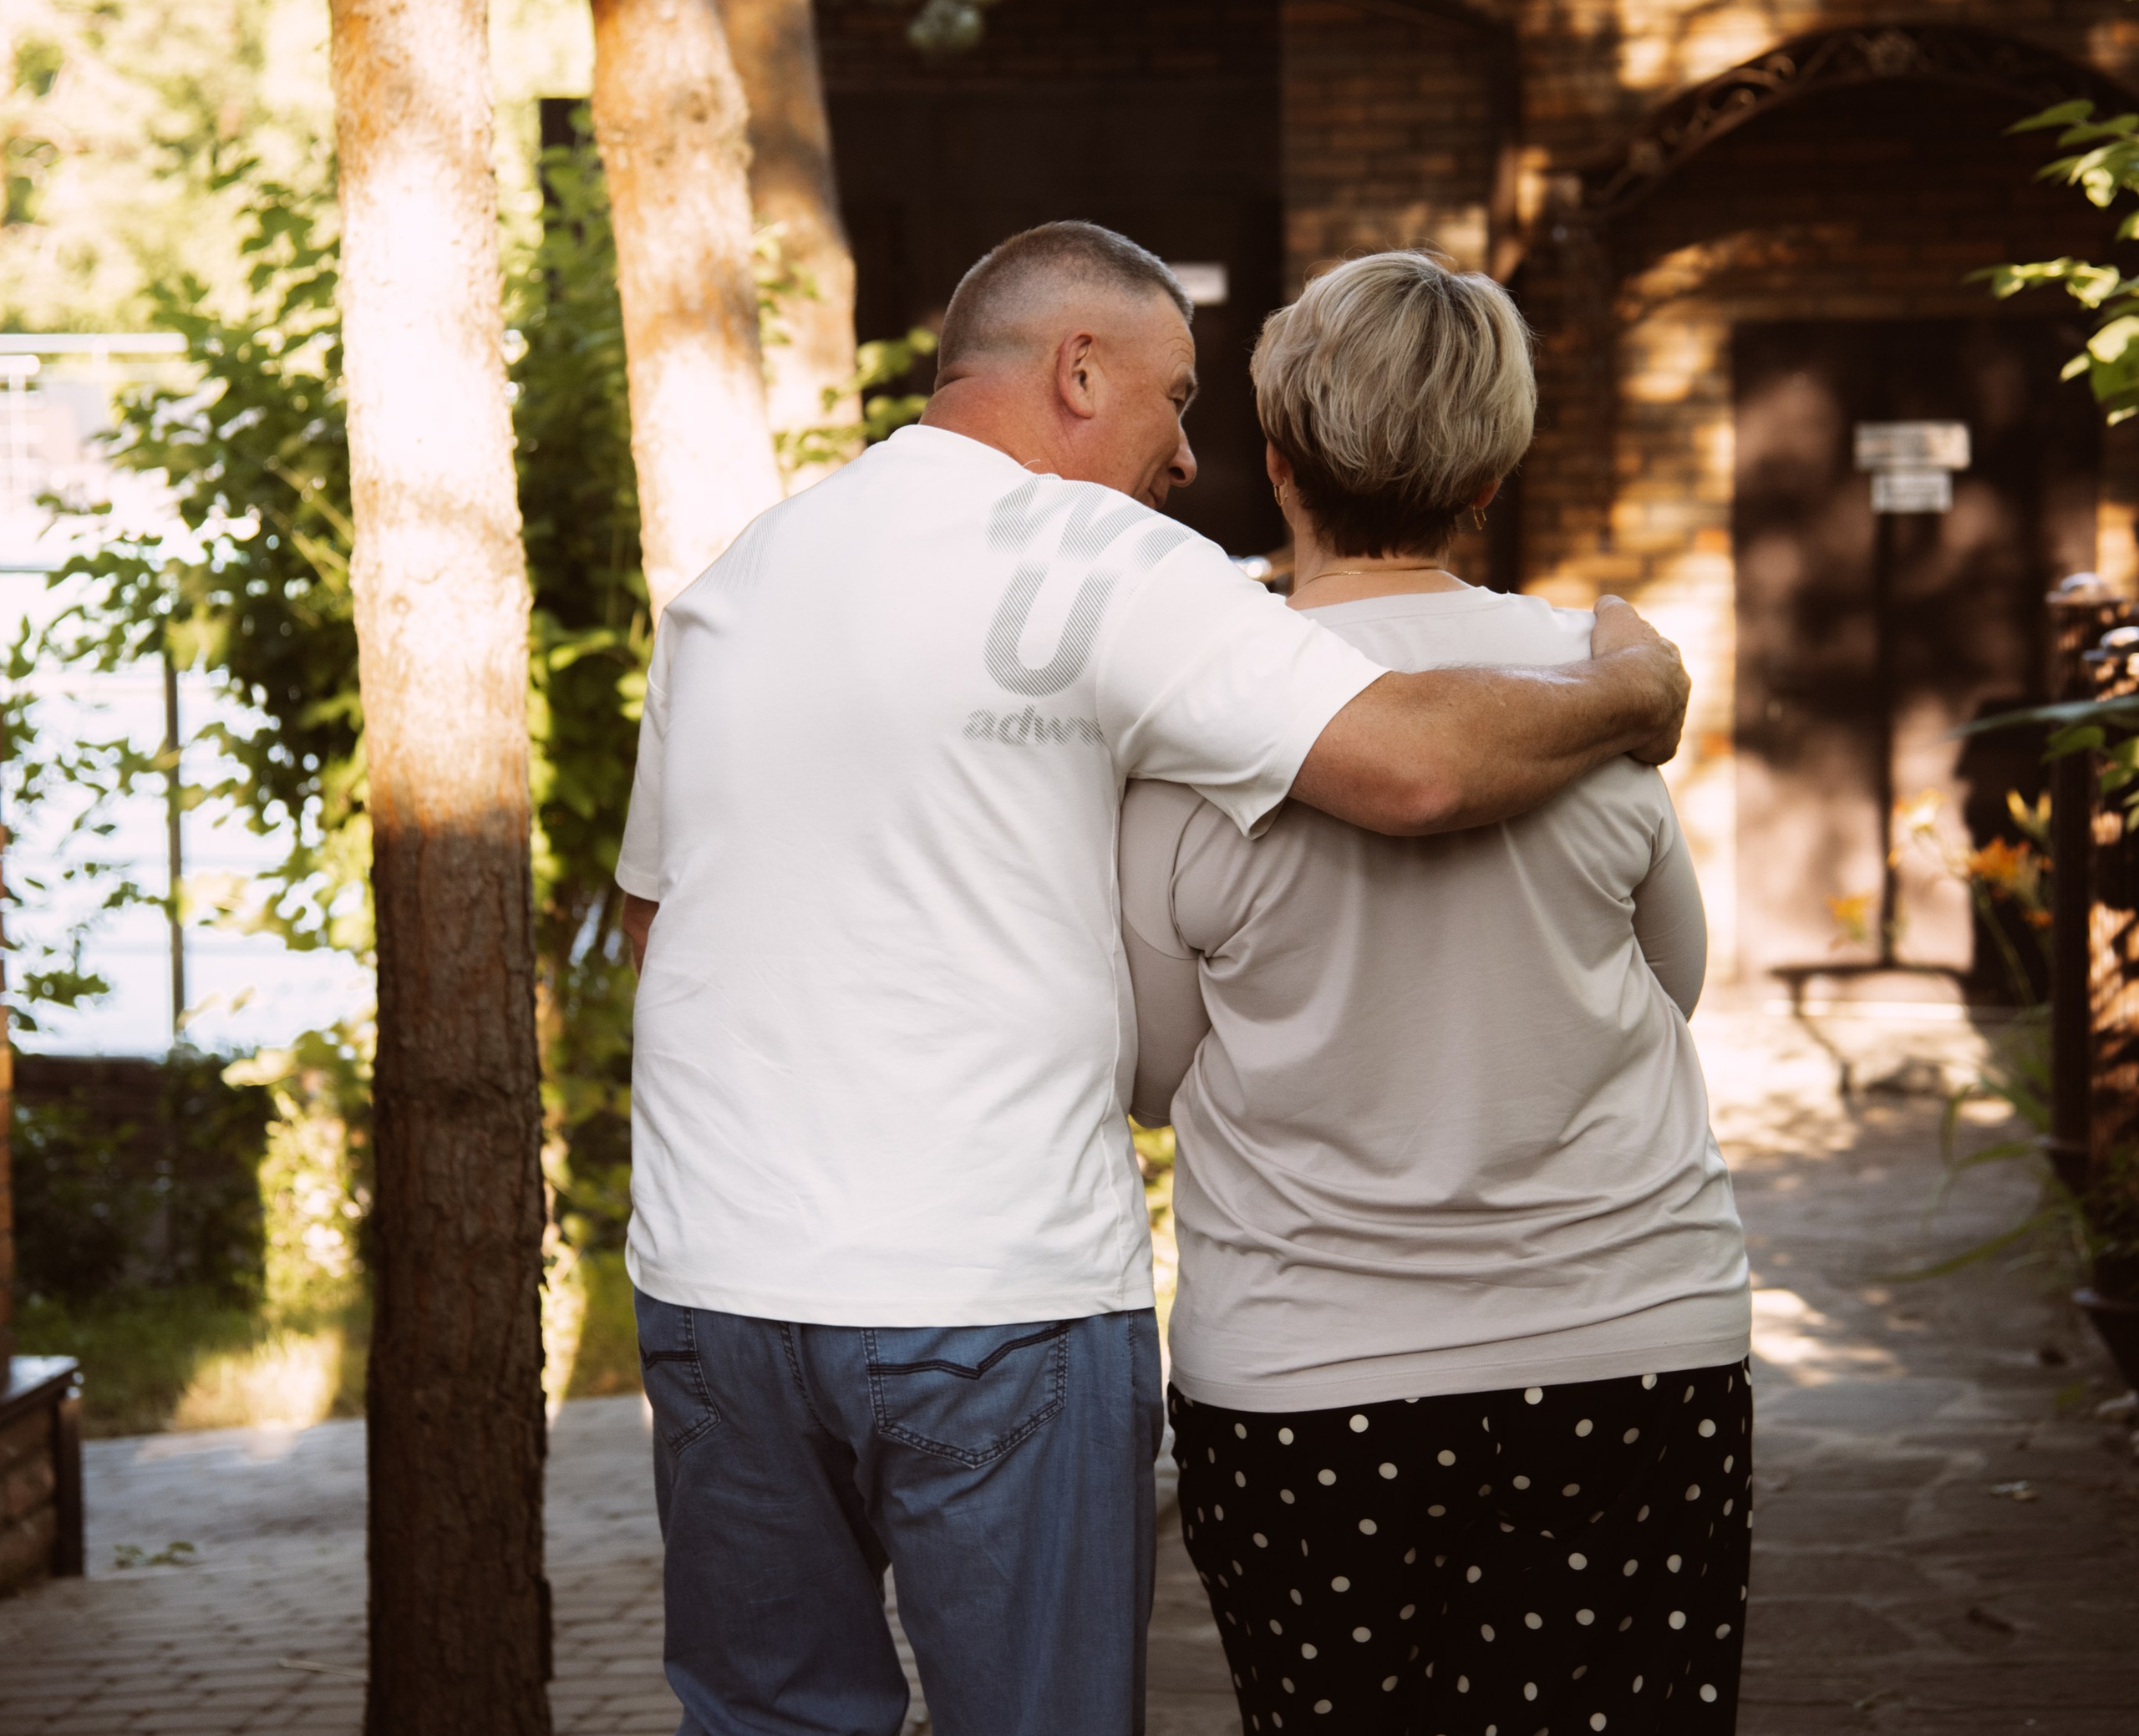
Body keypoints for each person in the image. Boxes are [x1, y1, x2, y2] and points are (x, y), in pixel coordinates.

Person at [614, 221, 1690, 1736]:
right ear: (1077, 370)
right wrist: (1632, 685)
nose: (1188, 456)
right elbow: (1421, 770)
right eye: (1175, 398)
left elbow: (655, 917)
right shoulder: (1097, 556)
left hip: (715, 1286)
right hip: (990, 1291)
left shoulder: (745, 572)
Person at [1120, 249, 1751, 1736]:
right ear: (1489, 479)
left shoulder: (1204, 714)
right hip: (1632, 1343)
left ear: (1281, 464)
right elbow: (1674, 979)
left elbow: (1150, 1073)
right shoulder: (1597, 684)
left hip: (1305, 1377)